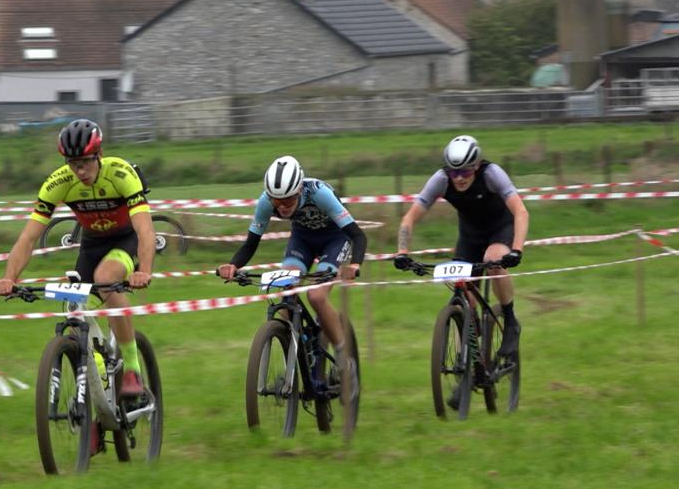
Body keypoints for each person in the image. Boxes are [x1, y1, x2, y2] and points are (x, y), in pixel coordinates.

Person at [0, 118, 155, 397]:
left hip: (125, 240)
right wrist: (10, 278)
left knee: (105, 279)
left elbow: (144, 228)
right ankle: (98, 397)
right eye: (73, 163)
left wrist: (145, 270)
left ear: (99, 155)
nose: (79, 171)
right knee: (74, 307)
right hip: (91, 245)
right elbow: (28, 237)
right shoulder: (59, 182)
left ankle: (132, 368)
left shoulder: (121, 173)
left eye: (86, 162)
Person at [393, 134, 529, 364]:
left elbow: (521, 211)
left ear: (476, 166)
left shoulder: (491, 174)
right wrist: (402, 252)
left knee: (494, 259)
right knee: (463, 294)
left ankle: (510, 319)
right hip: (470, 236)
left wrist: (517, 249)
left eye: (465, 172)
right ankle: (466, 364)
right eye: (454, 172)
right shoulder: (441, 179)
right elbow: (409, 218)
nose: (459, 178)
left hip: (500, 228)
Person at [217, 155, 367, 350]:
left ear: (297, 191)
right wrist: (233, 265)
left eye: (287, 200)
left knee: (316, 297)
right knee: (286, 290)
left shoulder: (319, 193)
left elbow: (358, 236)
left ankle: (344, 358)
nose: (282, 207)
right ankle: (293, 356)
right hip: (302, 239)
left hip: (334, 239)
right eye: (276, 201)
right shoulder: (266, 202)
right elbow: (251, 244)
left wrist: (355, 264)